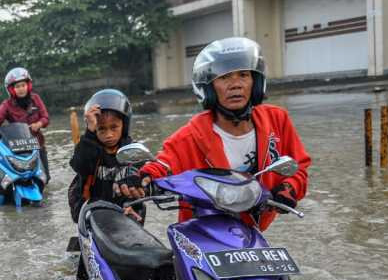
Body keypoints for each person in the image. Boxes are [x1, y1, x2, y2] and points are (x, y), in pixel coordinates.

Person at [120, 37, 311, 230]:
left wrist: (289, 189)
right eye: (225, 77)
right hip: (202, 231)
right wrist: (141, 179)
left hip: (252, 231)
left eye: (243, 75)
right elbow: (162, 165)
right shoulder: (190, 137)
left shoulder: (277, 120)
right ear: (209, 87)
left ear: (255, 82)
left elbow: (299, 167)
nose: (235, 84)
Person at [67, 89, 144, 223]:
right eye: (102, 129)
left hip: (125, 209)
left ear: (124, 126)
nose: (109, 135)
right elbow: (80, 166)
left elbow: (143, 174)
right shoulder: (89, 147)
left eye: (114, 127)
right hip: (94, 209)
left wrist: (132, 202)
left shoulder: (132, 150)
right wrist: (89, 133)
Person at [0, 67, 51, 179]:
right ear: (12, 89)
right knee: (21, 178)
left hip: (37, 145)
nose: (21, 89)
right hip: (18, 147)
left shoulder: (36, 98)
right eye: (17, 86)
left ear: (28, 85)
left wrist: (39, 124)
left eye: (23, 85)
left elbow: (46, 118)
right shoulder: (6, 104)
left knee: (44, 178)